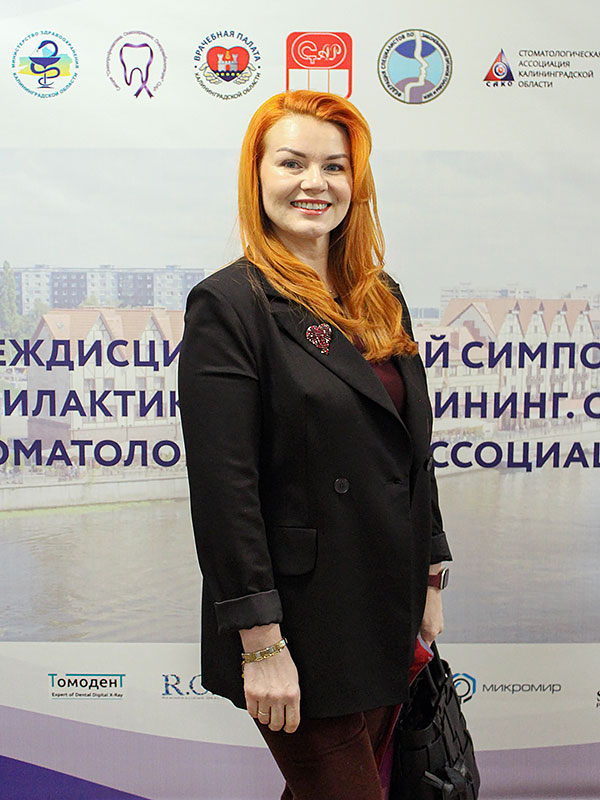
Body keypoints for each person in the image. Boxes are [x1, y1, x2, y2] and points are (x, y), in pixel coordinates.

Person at [177, 90, 452, 800]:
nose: (314, 183)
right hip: (300, 622)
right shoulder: (229, 305)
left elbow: (410, 449)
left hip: (386, 601)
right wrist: (260, 644)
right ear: (257, 175)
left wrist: (430, 572)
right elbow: (225, 491)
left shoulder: (380, 294)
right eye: (292, 162)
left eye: (334, 166)